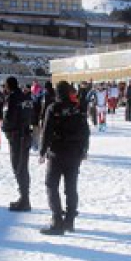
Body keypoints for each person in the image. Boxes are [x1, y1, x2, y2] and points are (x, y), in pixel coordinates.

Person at [39, 81, 90, 235]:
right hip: (74, 153)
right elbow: (85, 131)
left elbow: (46, 131)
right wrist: (84, 149)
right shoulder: (77, 108)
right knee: (71, 188)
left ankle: (57, 221)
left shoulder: (53, 108)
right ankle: (69, 221)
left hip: (57, 153)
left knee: (51, 185)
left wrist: (42, 151)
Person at [2, 76, 33, 212]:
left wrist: (5, 129)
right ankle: (24, 198)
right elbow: (33, 113)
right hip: (26, 134)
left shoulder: (13, 99)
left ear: (8, 86)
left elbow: (9, 118)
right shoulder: (27, 98)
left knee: (18, 167)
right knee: (23, 167)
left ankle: (24, 200)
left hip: (17, 137)